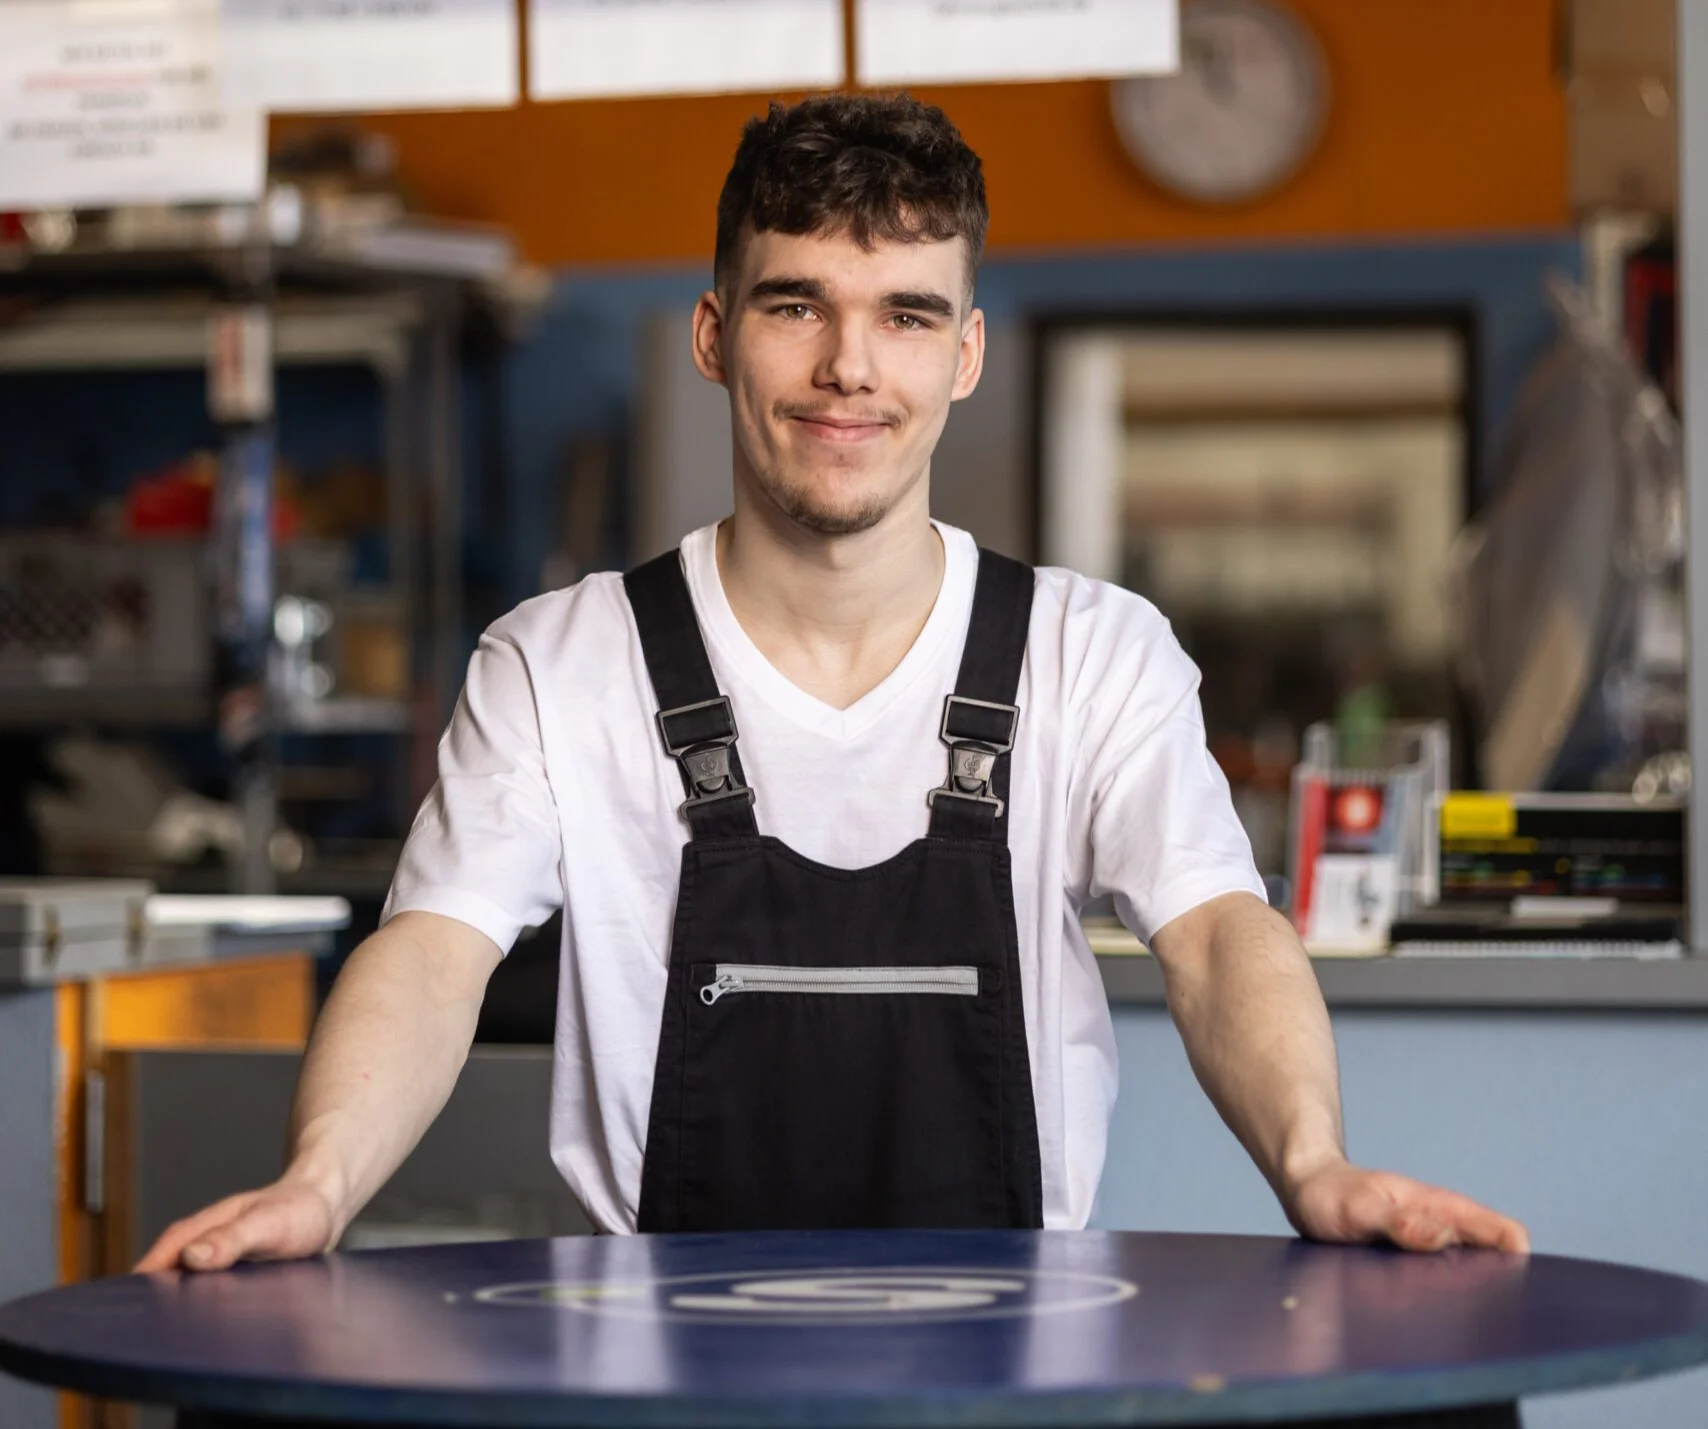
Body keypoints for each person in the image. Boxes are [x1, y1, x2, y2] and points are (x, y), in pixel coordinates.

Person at [139, 93, 1527, 1271]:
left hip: (1007, 1366)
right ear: (713, 333)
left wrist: (1314, 1166)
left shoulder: (1091, 656)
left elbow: (1221, 937)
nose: (849, 368)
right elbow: (434, 956)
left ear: (965, 353)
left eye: (909, 316)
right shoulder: (558, 663)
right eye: (796, 303)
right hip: (654, 1384)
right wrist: (318, 1184)